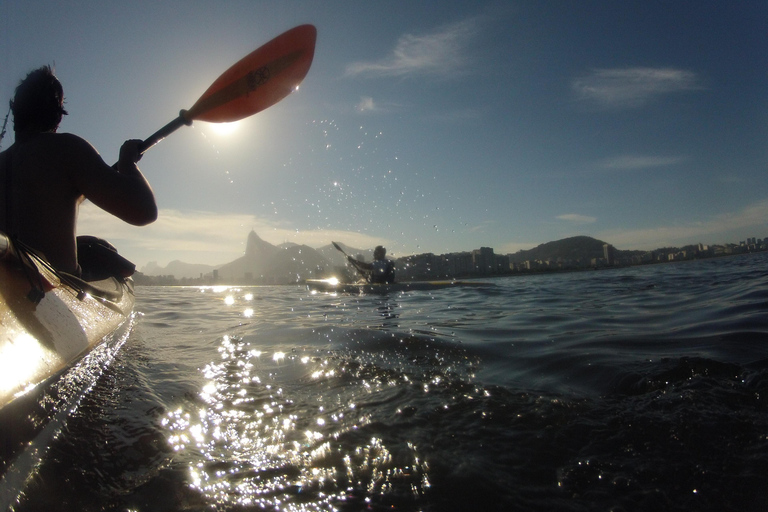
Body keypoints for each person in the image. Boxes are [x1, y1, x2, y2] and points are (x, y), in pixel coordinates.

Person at [0, 66, 157, 275]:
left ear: (16, 112)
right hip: (50, 287)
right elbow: (144, 211)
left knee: (91, 244)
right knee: (108, 256)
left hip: (8, 277)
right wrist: (128, 163)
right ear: (58, 115)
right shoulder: (68, 149)